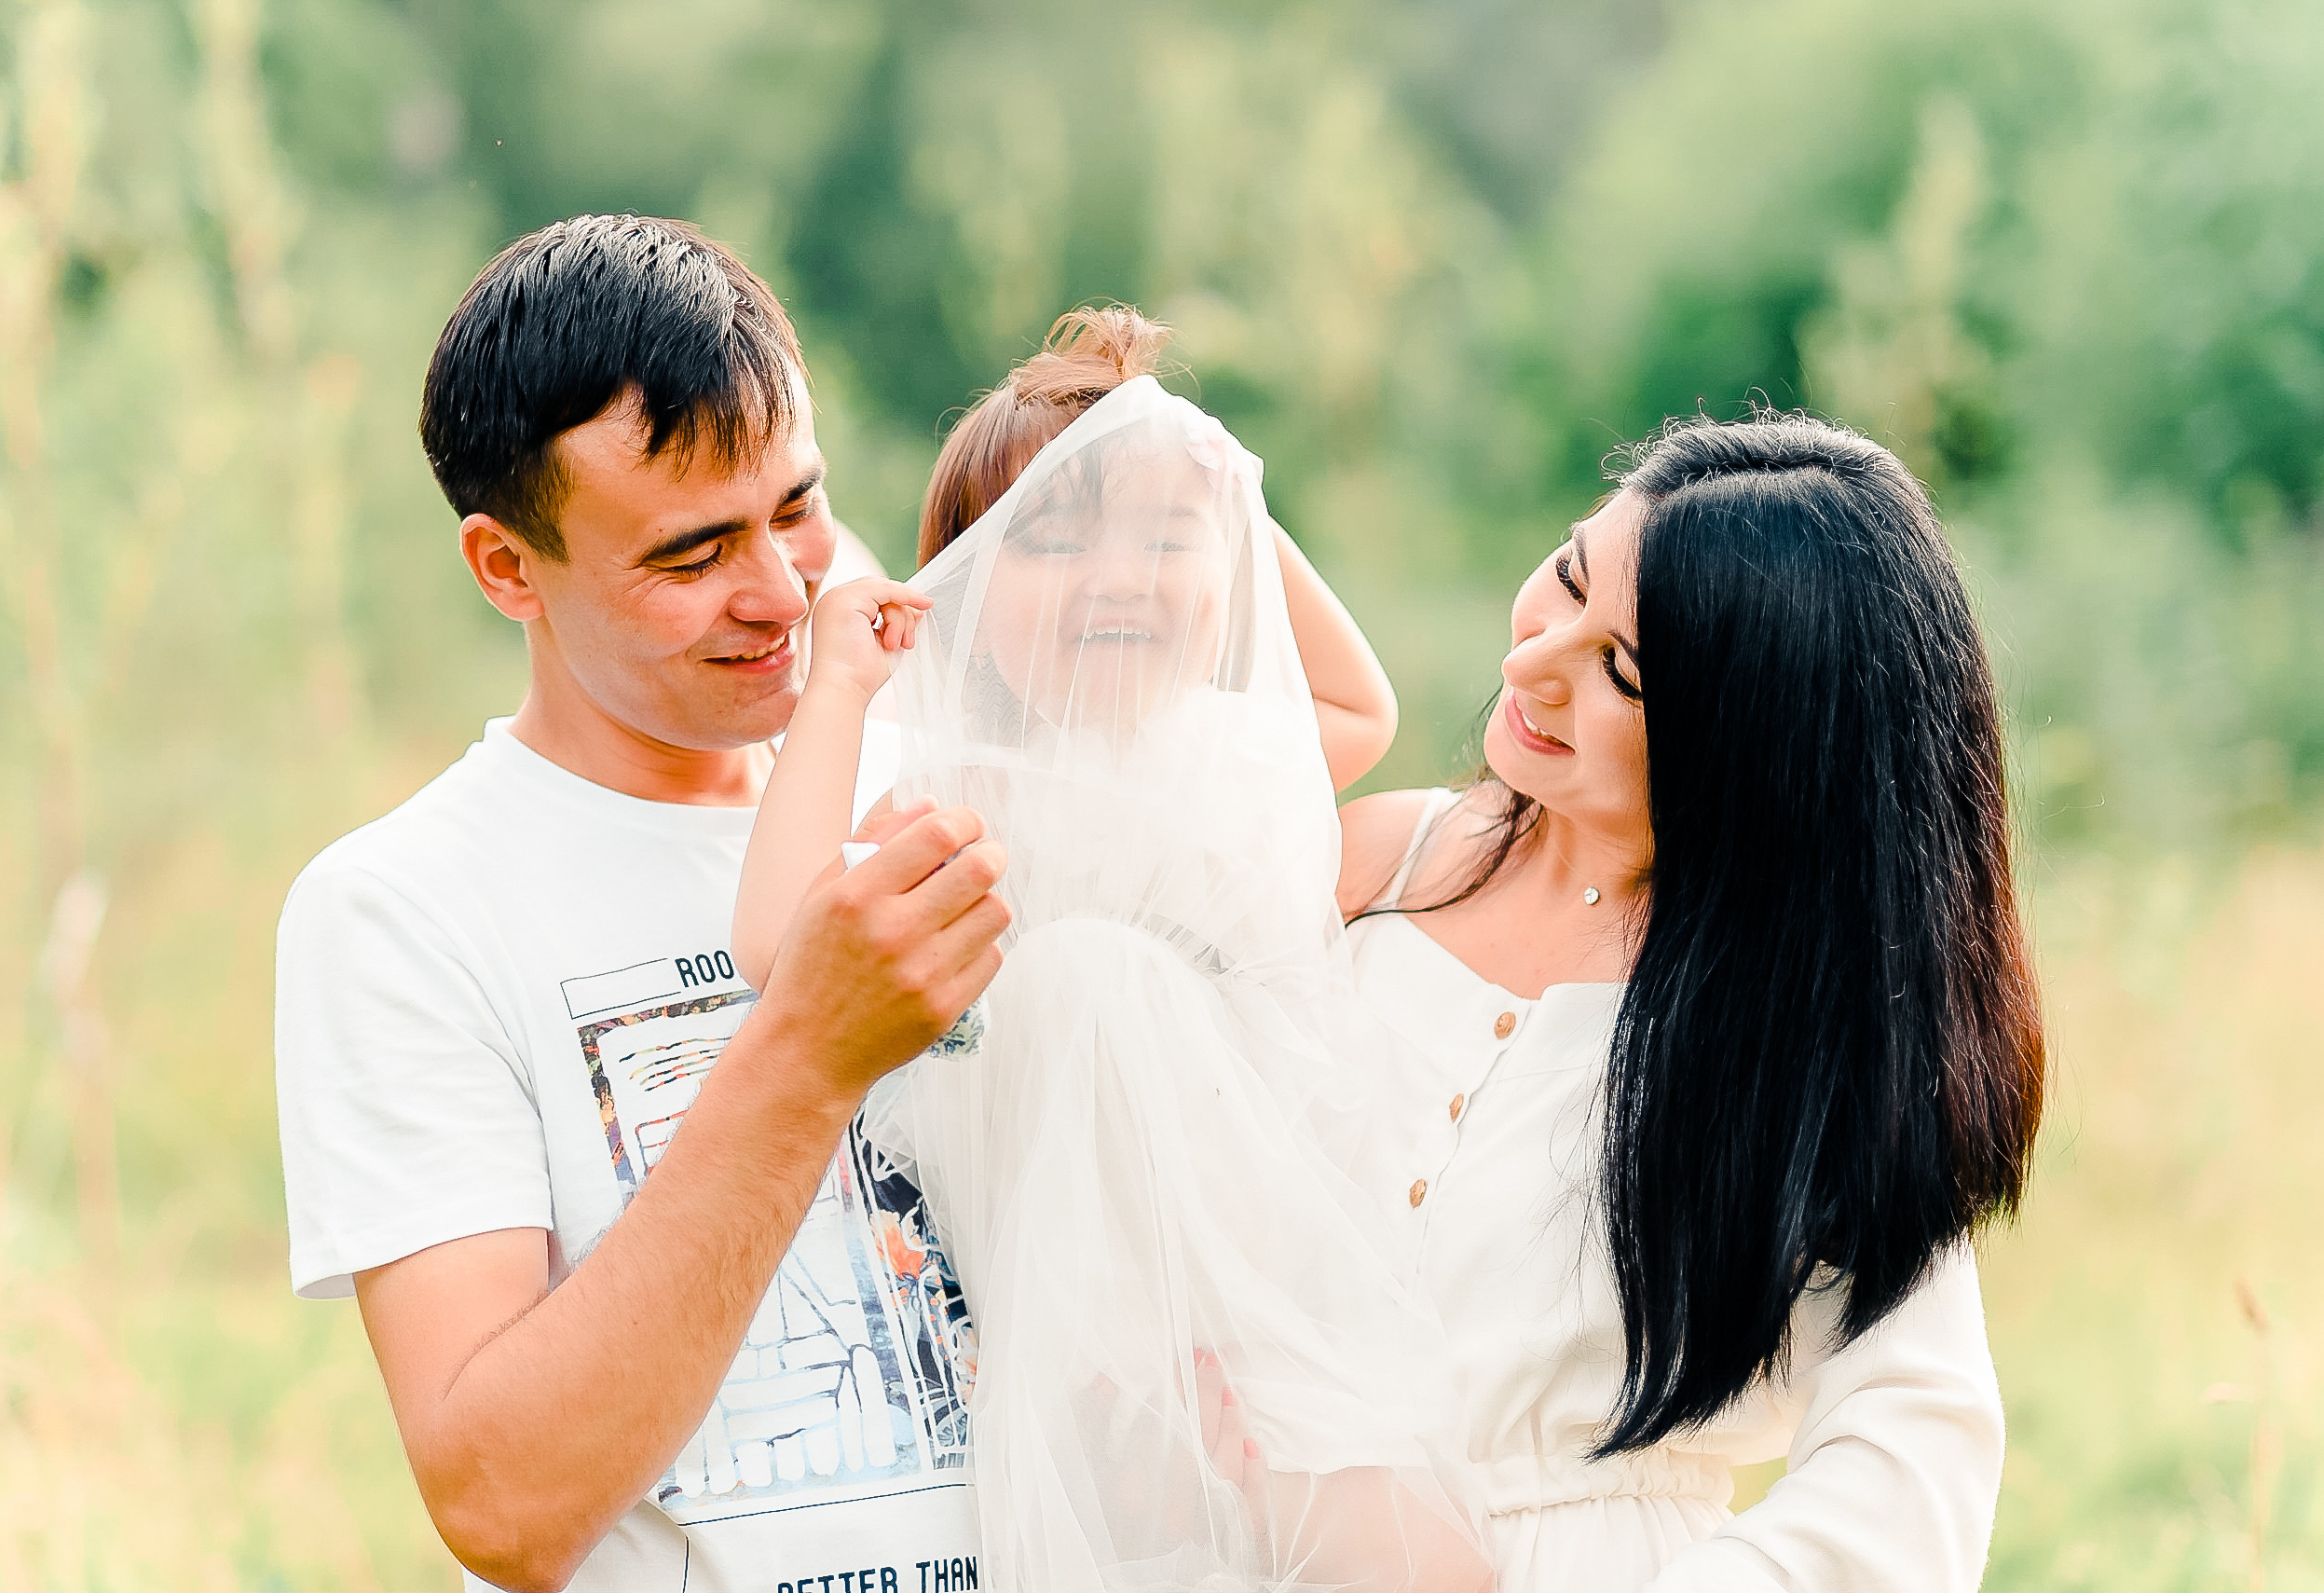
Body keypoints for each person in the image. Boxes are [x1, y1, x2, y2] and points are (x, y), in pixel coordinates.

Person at [273, 214, 1011, 1593]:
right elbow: (505, 1504)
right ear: (508, 569)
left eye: (798, 506)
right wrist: (805, 1054)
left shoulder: (948, 787)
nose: (784, 593)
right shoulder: (401, 911)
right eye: (692, 556)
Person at [731, 309, 1489, 1590]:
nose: (1121, 575)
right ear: (961, 585)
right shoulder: (968, 795)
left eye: (1167, 535)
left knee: (1413, 1555)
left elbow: (1364, 703)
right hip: (1087, 1338)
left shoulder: (1240, 759)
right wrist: (841, 691)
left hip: (1273, 1289)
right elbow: (777, 940)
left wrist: (1223, 487)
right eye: (1055, 536)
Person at [1335, 411, 2046, 1591]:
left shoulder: (1797, 1031)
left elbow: (1913, 1460)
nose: (1528, 665)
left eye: (1618, 668)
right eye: (1563, 580)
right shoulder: (1373, 865)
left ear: (1755, 743)